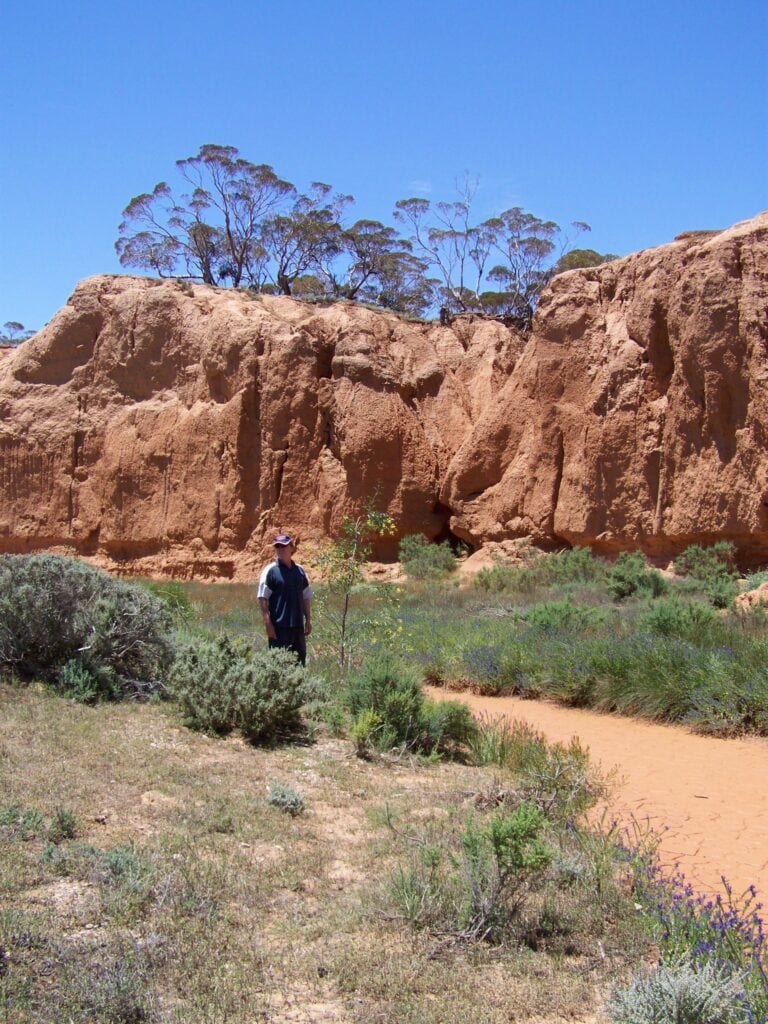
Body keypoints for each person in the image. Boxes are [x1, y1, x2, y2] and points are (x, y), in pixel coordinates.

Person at [257, 533, 312, 666]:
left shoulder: (300, 571)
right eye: (277, 546)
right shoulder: (270, 571)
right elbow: (263, 597)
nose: (280, 549)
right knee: (278, 666)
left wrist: (308, 620)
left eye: (284, 546)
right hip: (279, 628)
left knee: (299, 665)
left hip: (297, 627)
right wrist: (268, 624)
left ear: (291, 548)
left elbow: (306, 596)